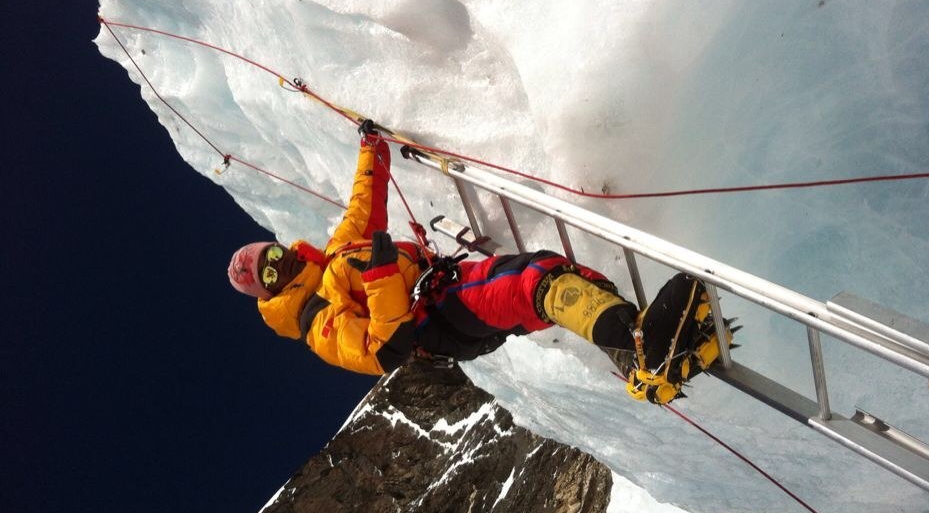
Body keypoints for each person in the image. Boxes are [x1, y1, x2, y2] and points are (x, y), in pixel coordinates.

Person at [227, 124, 727, 404]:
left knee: (546, 275)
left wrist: (371, 148)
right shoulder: (316, 321)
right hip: (434, 321)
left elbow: (364, 203)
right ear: (268, 295)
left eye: (271, 254)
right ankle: (643, 348)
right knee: (531, 283)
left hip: (445, 293)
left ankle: (645, 357)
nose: (281, 263)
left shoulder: (336, 253)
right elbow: (383, 352)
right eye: (268, 274)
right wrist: (381, 280)